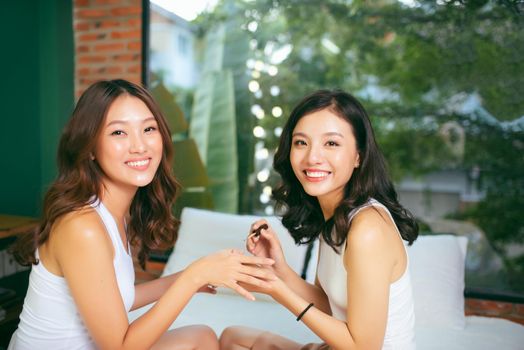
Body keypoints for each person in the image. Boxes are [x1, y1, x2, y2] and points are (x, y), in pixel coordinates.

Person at [8, 79, 274, 350]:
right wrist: (193, 276)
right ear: (89, 148)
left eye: (148, 129)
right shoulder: (82, 226)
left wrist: (199, 276)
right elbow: (121, 347)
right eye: (118, 133)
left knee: (203, 337)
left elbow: (118, 298)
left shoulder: (112, 214)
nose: (140, 146)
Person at [220, 89, 419, 350]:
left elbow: (364, 347)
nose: (312, 157)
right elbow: (329, 305)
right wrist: (280, 271)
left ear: (359, 155)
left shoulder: (368, 229)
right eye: (301, 142)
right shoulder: (335, 216)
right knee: (233, 338)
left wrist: (279, 291)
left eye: (331, 143)